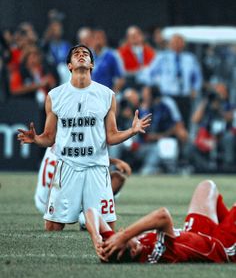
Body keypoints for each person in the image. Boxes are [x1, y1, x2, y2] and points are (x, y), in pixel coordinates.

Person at [17, 44, 151, 232]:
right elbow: (49, 138)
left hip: (97, 167)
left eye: (85, 54)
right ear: (69, 66)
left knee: (107, 230)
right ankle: (82, 220)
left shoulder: (107, 95)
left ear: (92, 65)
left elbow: (111, 136)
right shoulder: (55, 96)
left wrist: (131, 131)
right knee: (52, 227)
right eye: (76, 54)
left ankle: (85, 219)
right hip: (67, 167)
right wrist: (36, 139)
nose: (81, 55)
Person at [85, 179, 236, 263]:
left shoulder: (115, 248)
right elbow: (163, 216)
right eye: (123, 237)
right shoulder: (155, 254)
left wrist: (96, 238)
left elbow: (92, 212)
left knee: (206, 186)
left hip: (196, 233)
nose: (121, 232)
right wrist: (124, 236)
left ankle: (229, 222)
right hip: (220, 247)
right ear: (133, 250)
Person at [35, 145, 132, 215]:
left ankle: (85, 211)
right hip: (56, 206)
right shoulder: (71, 140)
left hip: (41, 200)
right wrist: (117, 162)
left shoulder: (57, 139)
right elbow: (88, 158)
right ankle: (86, 215)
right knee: (116, 178)